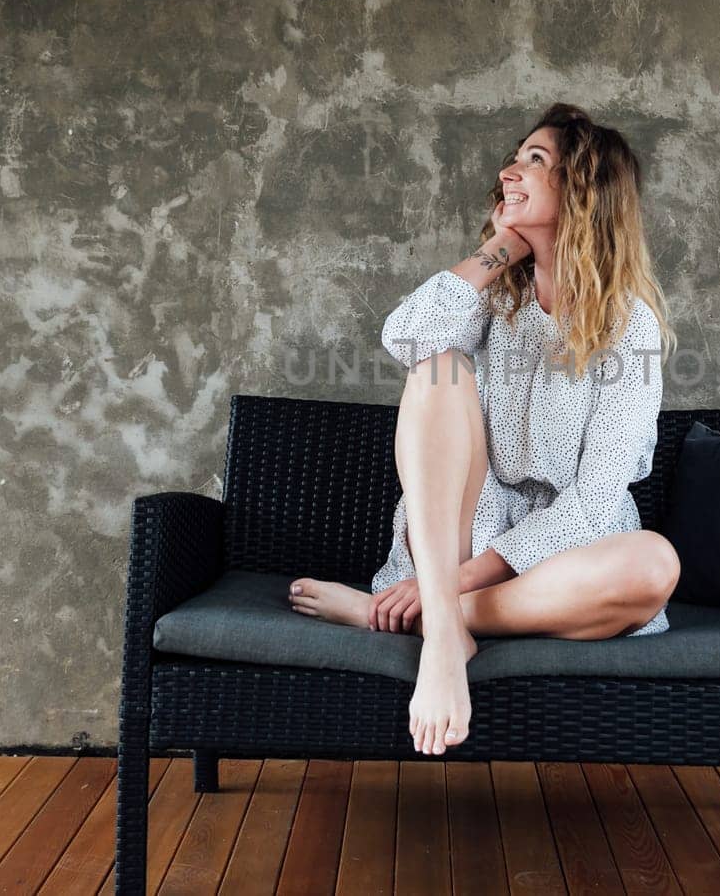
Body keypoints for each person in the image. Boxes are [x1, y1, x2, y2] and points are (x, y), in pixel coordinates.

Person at [286, 102, 681, 757]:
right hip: (470, 528)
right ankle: (444, 638)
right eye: (515, 155)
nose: (509, 170)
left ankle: (416, 615)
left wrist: (445, 588)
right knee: (437, 365)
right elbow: (406, 338)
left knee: (655, 561)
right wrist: (498, 250)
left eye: (535, 160)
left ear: (582, 190)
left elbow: (589, 509)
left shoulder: (627, 327)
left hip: (565, 562)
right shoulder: (501, 299)